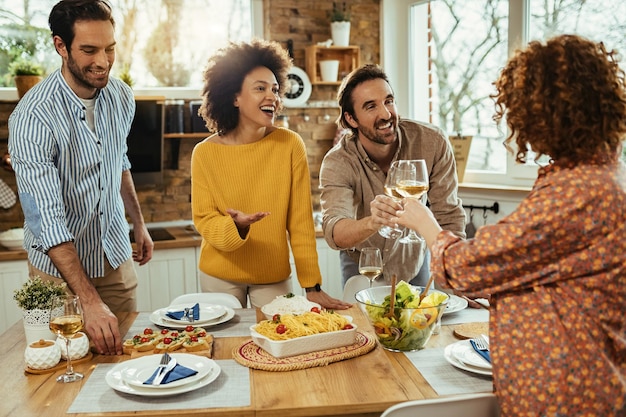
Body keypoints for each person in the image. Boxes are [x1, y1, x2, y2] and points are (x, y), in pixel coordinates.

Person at [392, 34, 626, 416]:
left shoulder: (580, 191)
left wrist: (427, 224)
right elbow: (538, 268)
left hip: (565, 394)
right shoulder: (598, 176)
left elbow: (468, 265)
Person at [8, 0, 153, 356]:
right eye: (88, 50)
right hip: (58, 273)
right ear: (61, 46)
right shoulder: (33, 118)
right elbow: (46, 220)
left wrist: (138, 223)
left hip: (113, 255)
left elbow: (118, 160)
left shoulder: (120, 96)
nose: (102, 62)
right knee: (66, 369)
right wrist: (87, 300)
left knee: (124, 358)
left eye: (109, 49)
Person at [192, 39, 350, 310]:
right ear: (234, 97)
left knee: (281, 345)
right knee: (225, 348)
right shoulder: (204, 153)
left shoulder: (290, 145)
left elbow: (300, 223)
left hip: (272, 277)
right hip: (218, 275)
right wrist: (237, 226)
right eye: (260, 88)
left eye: (276, 89)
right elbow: (204, 221)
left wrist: (311, 285)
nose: (272, 97)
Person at [319, 64, 465, 289]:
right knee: (367, 323)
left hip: (415, 261)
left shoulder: (431, 142)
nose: (386, 114)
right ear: (351, 119)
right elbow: (334, 232)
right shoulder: (338, 161)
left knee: (420, 321)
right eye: (370, 106)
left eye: (389, 101)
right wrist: (373, 222)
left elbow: (448, 216)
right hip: (364, 266)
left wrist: (460, 278)